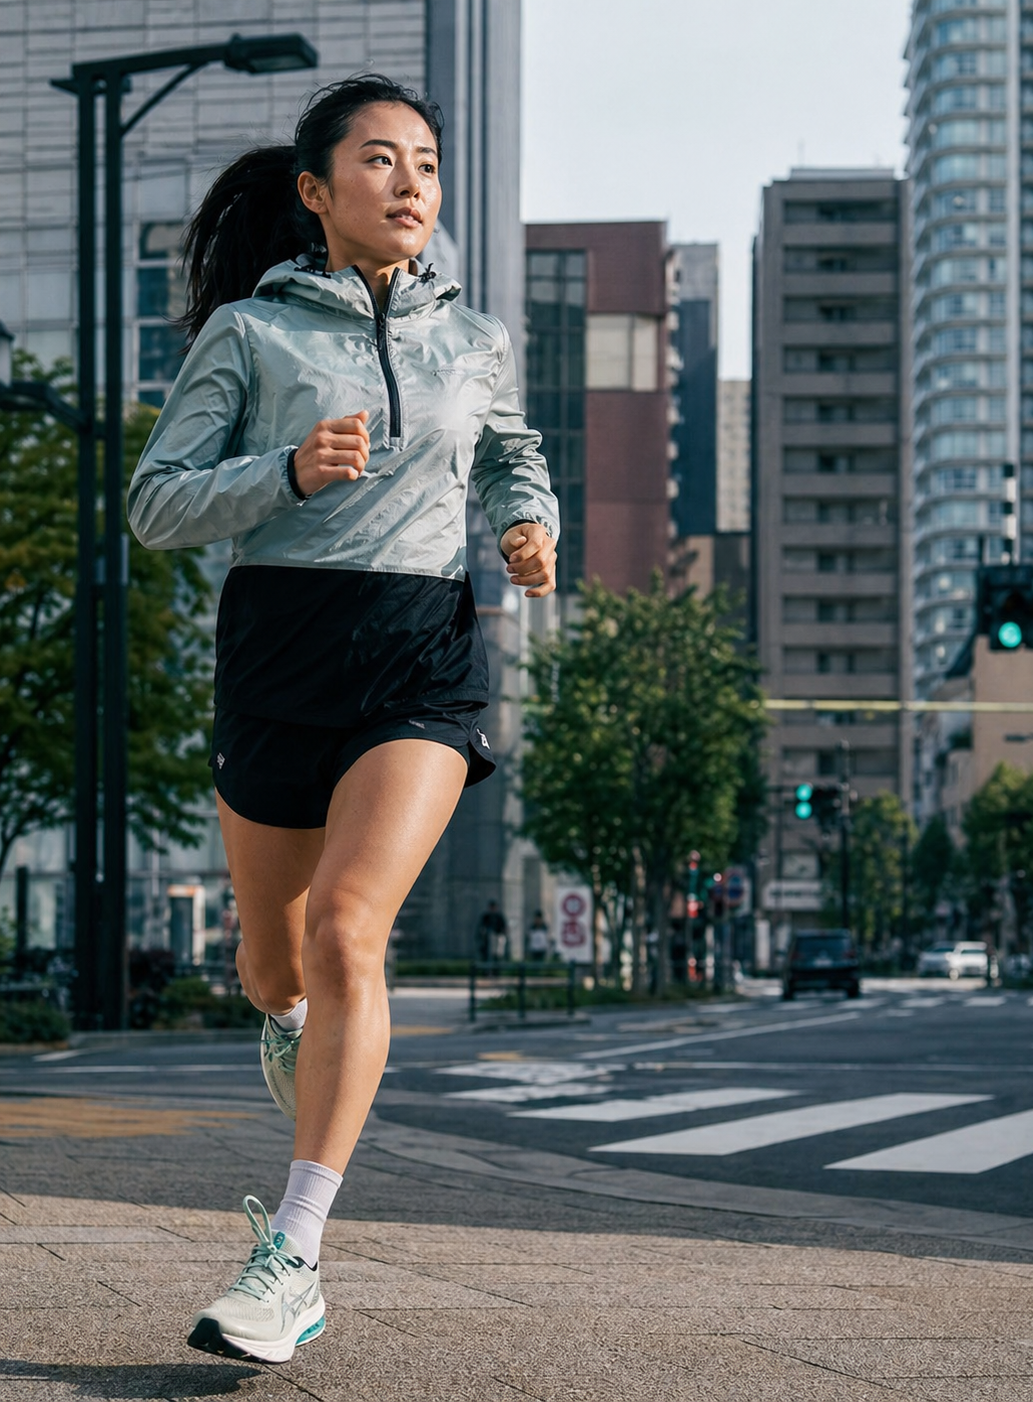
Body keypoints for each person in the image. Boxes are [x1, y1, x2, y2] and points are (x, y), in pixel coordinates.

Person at [127, 74, 557, 1364]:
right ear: (317, 193)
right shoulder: (251, 337)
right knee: (277, 968)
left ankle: (292, 1257)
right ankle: (296, 1025)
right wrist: (288, 469)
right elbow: (158, 502)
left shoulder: (471, 339)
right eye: (379, 160)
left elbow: (506, 447)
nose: (412, 182)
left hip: (422, 654)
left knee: (346, 927)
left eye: (425, 161)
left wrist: (529, 519)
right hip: (279, 652)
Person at [475, 899, 508, 964]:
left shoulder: (499, 916)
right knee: (487, 954)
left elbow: (504, 927)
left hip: (498, 937)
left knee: (498, 954)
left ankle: (496, 969)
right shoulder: (486, 916)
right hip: (488, 939)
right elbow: (481, 927)